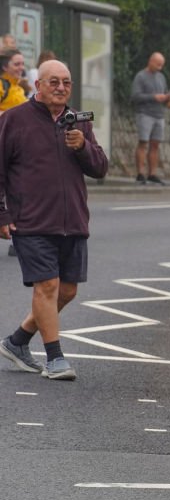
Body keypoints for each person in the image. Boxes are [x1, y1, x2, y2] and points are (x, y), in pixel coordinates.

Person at [0, 60, 109, 381]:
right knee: (46, 285)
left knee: (68, 290)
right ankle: (55, 358)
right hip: (31, 220)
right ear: (38, 86)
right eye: (53, 82)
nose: (61, 88)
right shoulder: (13, 120)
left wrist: (83, 147)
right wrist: (3, 214)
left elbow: (100, 167)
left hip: (73, 218)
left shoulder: (79, 121)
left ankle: (17, 341)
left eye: (66, 82)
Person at [131, 52, 169, 185]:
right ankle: (140, 173)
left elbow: (164, 92)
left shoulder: (161, 77)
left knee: (155, 145)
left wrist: (166, 97)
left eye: (161, 65)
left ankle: (152, 173)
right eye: (158, 64)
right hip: (145, 114)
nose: (160, 67)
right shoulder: (140, 76)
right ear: (150, 61)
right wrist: (154, 97)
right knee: (143, 143)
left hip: (159, 115)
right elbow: (135, 96)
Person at [0, 47, 28, 113]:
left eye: (23, 64)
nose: (22, 68)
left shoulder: (19, 88)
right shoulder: (1, 85)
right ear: (5, 67)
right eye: (17, 64)